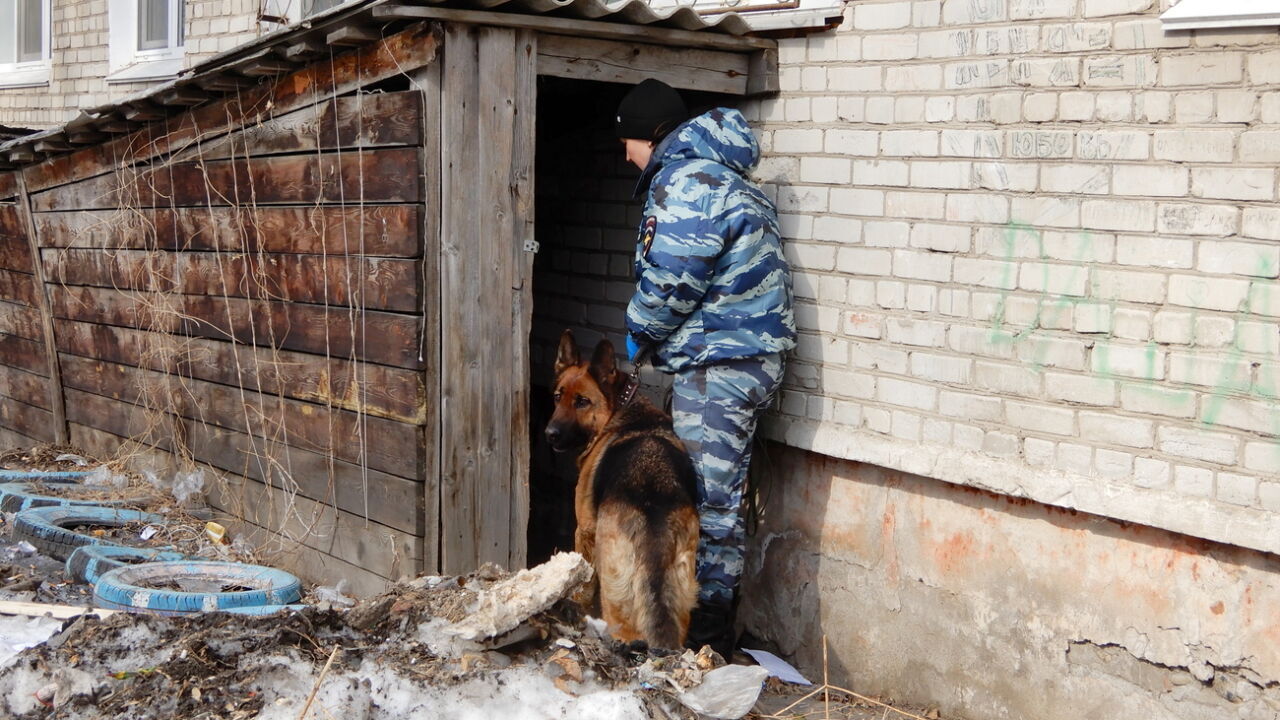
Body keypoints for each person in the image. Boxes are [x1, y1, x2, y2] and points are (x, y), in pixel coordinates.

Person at [615, 79, 797, 655]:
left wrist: (638, 332)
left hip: (720, 364)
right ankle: (697, 630)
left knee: (708, 502)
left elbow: (674, 278)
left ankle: (706, 641)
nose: (624, 154)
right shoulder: (717, 175)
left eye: (627, 139)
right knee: (712, 494)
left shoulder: (690, 180)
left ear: (649, 134)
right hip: (734, 358)